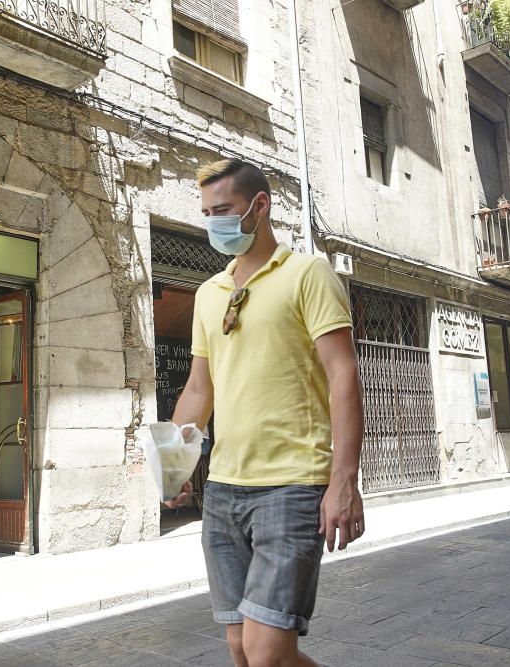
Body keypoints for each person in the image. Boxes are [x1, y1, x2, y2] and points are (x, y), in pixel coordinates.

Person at [164, 158, 365, 667]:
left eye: (224, 210)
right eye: (207, 212)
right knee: (240, 647)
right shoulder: (210, 293)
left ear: (260, 205)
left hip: (293, 485)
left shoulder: (307, 274)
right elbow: (198, 388)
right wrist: (174, 466)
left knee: (267, 651)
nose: (214, 222)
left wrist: (344, 480)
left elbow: (343, 375)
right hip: (224, 490)